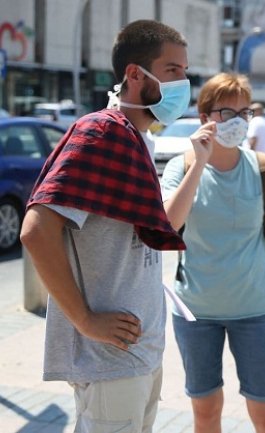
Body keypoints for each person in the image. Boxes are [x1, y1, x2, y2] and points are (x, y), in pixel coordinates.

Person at [19, 20, 190, 432]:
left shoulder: (137, 139)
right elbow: (36, 229)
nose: (182, 83)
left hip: (141, 351)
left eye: (185, 72)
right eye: (172, 71)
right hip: (110, 360)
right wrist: (84, 320)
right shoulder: (99, 132)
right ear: (135, 74)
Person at [160, 72, 265, 433]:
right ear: (204, 118)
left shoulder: (262, 168)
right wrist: (200, 162)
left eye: (244, 113)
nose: (236, 122)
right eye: (226, 113)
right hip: (196, 312)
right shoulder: (182, 167)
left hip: (257, 311)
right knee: (205, 412)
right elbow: (168, 225)